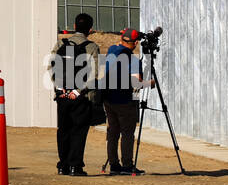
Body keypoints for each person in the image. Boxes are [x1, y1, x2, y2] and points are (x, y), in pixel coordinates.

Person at [49, 13, 100, 176]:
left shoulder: (60, 44)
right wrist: (78, 91)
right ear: (90, 30)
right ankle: (75, 166)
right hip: (81, 97)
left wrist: (59, 88)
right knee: (78, 131)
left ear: (74, 26)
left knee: (63, 130)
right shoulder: (91, 47)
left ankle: (62, 166)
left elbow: (51, 66)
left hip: (62, 95)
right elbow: (94, 74)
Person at [103, 29, 151, 176]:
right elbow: (137, 84)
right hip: (124, 100)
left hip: (108, 98)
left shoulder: (112, 50)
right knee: (127, 133)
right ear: (136, 43)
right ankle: (127, 165)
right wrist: (151, 83)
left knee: (113, 132)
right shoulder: (133, 60)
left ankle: (114, 164)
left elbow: (119, 44)